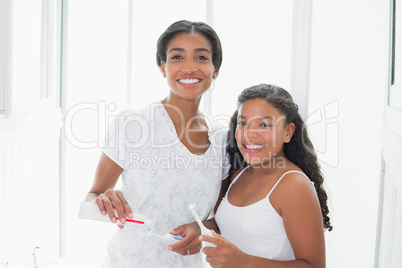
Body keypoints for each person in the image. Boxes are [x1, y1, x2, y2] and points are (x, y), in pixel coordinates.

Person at [85, 20, 230, 268]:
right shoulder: (133, 124)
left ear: (215, 69)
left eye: (202, 57)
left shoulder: (223, 140)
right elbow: (93, 195)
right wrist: (103, 201)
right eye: (177, 57)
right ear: (163, 67)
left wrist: (201, 228)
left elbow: (223, 217)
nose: (189, 67)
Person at [200, 83, 333, 267]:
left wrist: (243, 262)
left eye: (264, 125)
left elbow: (314, 266)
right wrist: (198, 230)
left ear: (288, 132)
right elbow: (235, 224)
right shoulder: (239, 175)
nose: (250, 134)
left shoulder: (294, 186)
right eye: (243, 123)